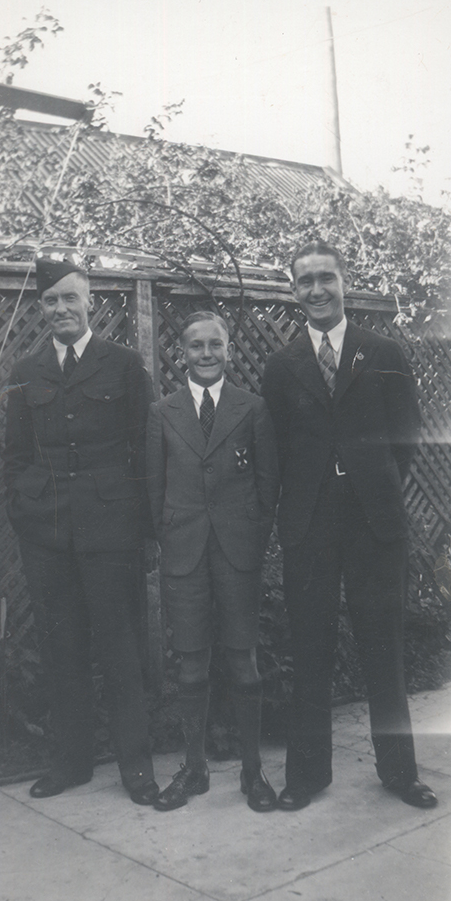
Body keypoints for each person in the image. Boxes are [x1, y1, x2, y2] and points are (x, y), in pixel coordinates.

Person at [261, 240, 437, 812]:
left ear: (345, 282)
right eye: (305, 281)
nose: (317, 290)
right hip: (310, 522)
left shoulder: (383, 351)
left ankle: (400, 773)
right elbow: (277, 449)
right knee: (310, 646)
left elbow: (406, 436)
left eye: (326, 278)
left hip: (373, 521)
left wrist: (370, 484)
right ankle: (307, 776)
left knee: (383, 647)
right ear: (294, 291)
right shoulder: (282, 365)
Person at [3, 256, 159, 804]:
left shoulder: (124, 364)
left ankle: (136, 766)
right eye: (51, 301)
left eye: (70, 298)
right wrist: (22, 511)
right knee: (60, 648)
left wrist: (144, 530)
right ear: (40, 307)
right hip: (47, 535)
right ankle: (71, 763)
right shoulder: (26, 371)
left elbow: (146, 449)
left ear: (90, 301)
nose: (61, 308)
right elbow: (15, 453)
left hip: (111, 532)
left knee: (121, 648)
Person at [147, 312, 280, 811]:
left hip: (236, 552)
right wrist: (169, 538)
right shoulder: (163, 412)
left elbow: (268, 486)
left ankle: (252, 771)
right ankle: (194, 768)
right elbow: (154, 488)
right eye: (196, 346)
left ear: (229, 349)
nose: (206, 354)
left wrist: (250, 538)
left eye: (215, 344)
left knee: (244, 662)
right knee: (191, 665)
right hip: (184, 553)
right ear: (181, 353)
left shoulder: (252, 408)